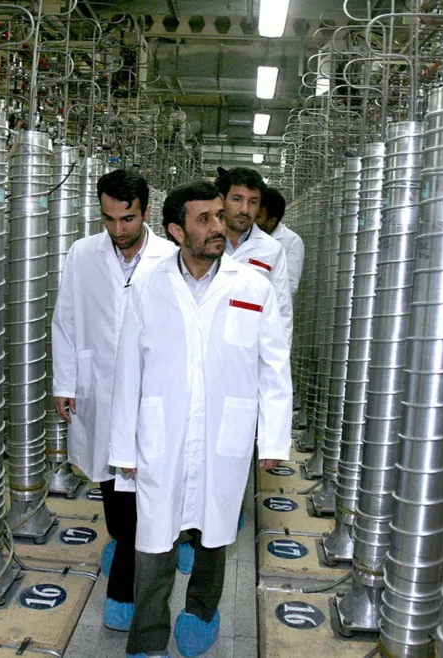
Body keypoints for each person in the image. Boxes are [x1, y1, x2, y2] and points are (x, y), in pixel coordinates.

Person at [109, 181, 292, 658]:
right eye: (205, 219)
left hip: (223, 432)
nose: (220, 226)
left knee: (215, 532)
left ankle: (202, 611)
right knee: (154, 539)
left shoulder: (252, 285)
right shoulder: (148, 285)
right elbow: (129, 368)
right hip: (161, 430)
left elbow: (274, 365)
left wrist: (273, 437)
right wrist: (122, 449)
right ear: (176, 230)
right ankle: (147, 638)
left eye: (219, 214)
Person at [51, 168, 177, 632]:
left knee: (142, 493)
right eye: (108, 220)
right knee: (110, 480)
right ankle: (125, 542)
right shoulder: (82, 253)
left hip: (152, 393)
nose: (118, 230)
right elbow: (65, 319)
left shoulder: (170, 255)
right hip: (99, 388)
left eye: (127, 219)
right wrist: (65, 382)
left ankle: (124, 587)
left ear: (145, 212)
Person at [214, 167, 293, 345]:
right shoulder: (204, 241)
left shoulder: (271, 250)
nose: (245, 209)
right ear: (222, 199)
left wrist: (277, 365)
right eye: (237, 199)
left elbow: (282, 311)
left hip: (249, 349)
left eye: (253, 202)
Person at [256, 187, 304, 299]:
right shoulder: (247, 235)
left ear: (272, 221)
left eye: (258, 217)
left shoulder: (292, 241)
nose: (253, 220)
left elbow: (290, 286)